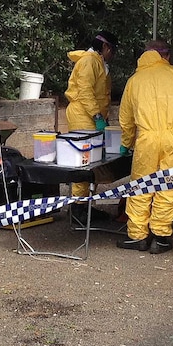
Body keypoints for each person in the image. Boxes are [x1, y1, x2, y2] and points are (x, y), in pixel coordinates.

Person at [116, 39, 173, 254]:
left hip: (146, 139)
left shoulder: (134, 80)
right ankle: (161, 237)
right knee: (169, 185)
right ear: (167, 56)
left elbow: (126, 119)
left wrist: (127, 143)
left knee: (140, 186)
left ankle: (138, 236)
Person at [64, 30, 118, 224]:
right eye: (113, 50)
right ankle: (78, 210)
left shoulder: (98, 62)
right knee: (83, 161)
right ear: (105, 47)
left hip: (91, 116)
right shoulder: (89, 61)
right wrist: (97, 115)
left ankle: (85, 206)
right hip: (83, 115)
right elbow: (85, 91)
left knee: (91, 161)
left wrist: (102, 117)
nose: (113, 54)